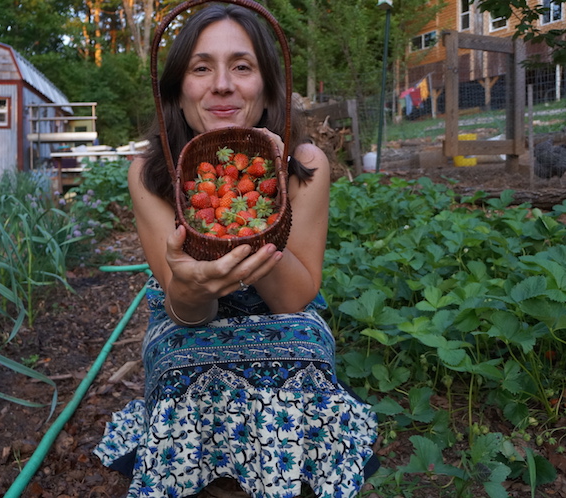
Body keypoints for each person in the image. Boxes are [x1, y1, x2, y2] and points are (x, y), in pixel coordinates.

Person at [94, 3, 379, 497]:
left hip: (279, 300)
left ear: (268, 86)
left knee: (305, 351)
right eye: (201, 67)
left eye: (242, 66)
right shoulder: (149, 174)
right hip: (189, 313)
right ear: (177, 91)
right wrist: (190, 286)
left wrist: (265, 209)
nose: (222, 84)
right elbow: (186, 310)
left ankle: (287, 475)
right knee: (181, 361)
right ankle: (205, 477)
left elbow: (294, 299)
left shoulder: (305, 163)